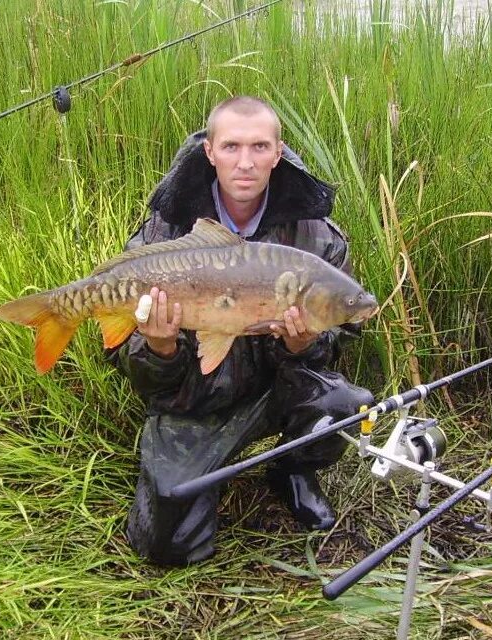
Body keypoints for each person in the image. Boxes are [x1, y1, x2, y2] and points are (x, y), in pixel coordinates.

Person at [107, 96, 374, 566]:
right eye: (231, 147)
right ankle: (196, 477)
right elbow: (125, 359)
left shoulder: (317, 236)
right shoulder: (165, 231)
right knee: (165, 546)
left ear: (278, 152)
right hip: (192, 401)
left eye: (259, 147)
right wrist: (160, 345)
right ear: (210, 151)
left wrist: (304, 343)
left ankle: (291, 469)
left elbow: (343, 337)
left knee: (345, 405)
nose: (245, 162)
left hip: (273, 393)